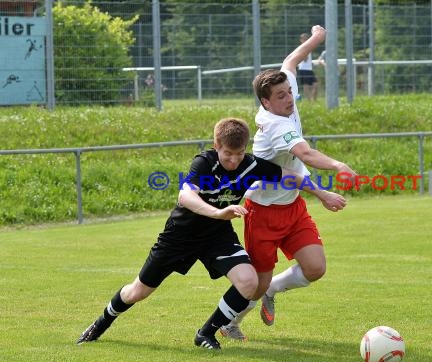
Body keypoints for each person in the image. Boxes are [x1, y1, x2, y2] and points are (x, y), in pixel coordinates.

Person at [76, 117, 346, 350]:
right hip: (180, 236)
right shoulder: (204, 164)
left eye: (239, 153)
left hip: (217, 236)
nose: (233, 159)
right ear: (217, 146)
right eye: (228, 153)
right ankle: (102, 322)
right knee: (138, 291)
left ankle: (206, 332)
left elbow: (291, 175)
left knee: (249, 282)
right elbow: (185, 196)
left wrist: (321, 194)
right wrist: (218, 212)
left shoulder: (250, 165)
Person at [219, 25, 357, 341]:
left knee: (315, 267)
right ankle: (230, 323)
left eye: (289, 93)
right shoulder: (274, 125)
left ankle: (273, 291)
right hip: (263, 211)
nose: (289, 100)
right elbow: (305, 155)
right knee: (258, 281)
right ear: (265, 103)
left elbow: (291, 61)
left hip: (292, 206)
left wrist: (316, 39)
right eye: (280, 97)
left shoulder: (284, 90)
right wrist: (337, 166)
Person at [297, 33, 318, 101]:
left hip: (309, 69)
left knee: (316, 84)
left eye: (307, 39)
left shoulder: (308, 47)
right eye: (304, 39)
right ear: (301, 40)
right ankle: (309, 101)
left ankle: (313, 100)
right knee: (306, 85)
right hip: (303, 69)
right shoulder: (303, 47)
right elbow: (305, 59)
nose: (306, 40)